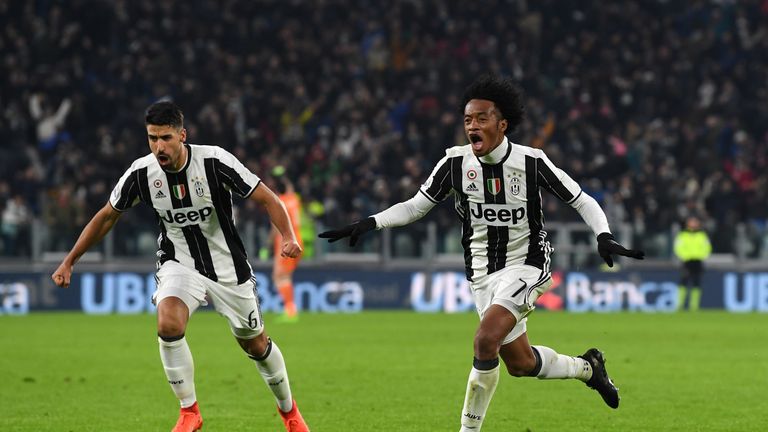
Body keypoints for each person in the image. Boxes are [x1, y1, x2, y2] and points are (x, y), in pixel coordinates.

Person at [319, 75, 645, 431]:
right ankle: (588, 368)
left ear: (502, 124)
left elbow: (580, 199)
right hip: (482, 275)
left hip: (527, 263)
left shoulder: (531, 162)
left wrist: (603, 235)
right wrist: (370, 223)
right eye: (467, 120)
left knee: (484, 340)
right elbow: (416, 206)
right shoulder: (455, 165)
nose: (472, 126)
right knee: (520, 364)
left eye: (481, 118)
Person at [51, 101, 310, 432]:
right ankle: (189, 411)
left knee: (255, 343)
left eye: (166, 138)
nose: (159, 146)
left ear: (182, 136)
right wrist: (70, 260)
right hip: (179, 261)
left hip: (227, 266)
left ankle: (290, 413)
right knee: (168, 324)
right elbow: (106, 216)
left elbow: (267, 198)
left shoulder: (215, 162)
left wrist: (287, 235)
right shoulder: (141, 174)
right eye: (152, 138)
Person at [271, 166, 304, 321]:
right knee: (286, 276)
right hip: (298, 238)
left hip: (285, 240)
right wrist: (283, 177)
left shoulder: (279, 202)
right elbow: (288, 187)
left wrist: (267, 244)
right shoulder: (294, 198)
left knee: (279, 276)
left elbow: (275, 227)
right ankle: (290, 309)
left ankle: (290, 310)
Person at [673, 216, 712, 311]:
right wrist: (684, 256)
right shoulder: (682, 235)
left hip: (698, 261)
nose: (693, 224)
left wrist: (702, 256)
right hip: (687, 261)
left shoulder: (702, 235)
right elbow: (678, 247)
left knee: (696, 283)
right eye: (691, 222)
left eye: (695, 222)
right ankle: (680, 304)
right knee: (683, 282)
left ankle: (694, 306)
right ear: (687, 223)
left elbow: (707, 247)